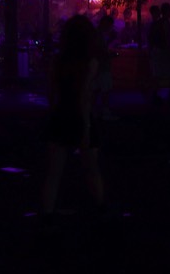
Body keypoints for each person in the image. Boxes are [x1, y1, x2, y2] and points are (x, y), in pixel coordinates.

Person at [40, 15, 105, 217]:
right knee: (92, 170)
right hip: (80, 116)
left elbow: (51, 93)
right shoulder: (90, 62)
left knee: (53, 174)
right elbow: (85, 96)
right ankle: (100, 210)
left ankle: (46, 216)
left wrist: (53, 113)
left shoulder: (58, 61)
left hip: (61, 114)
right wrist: (85, 126)